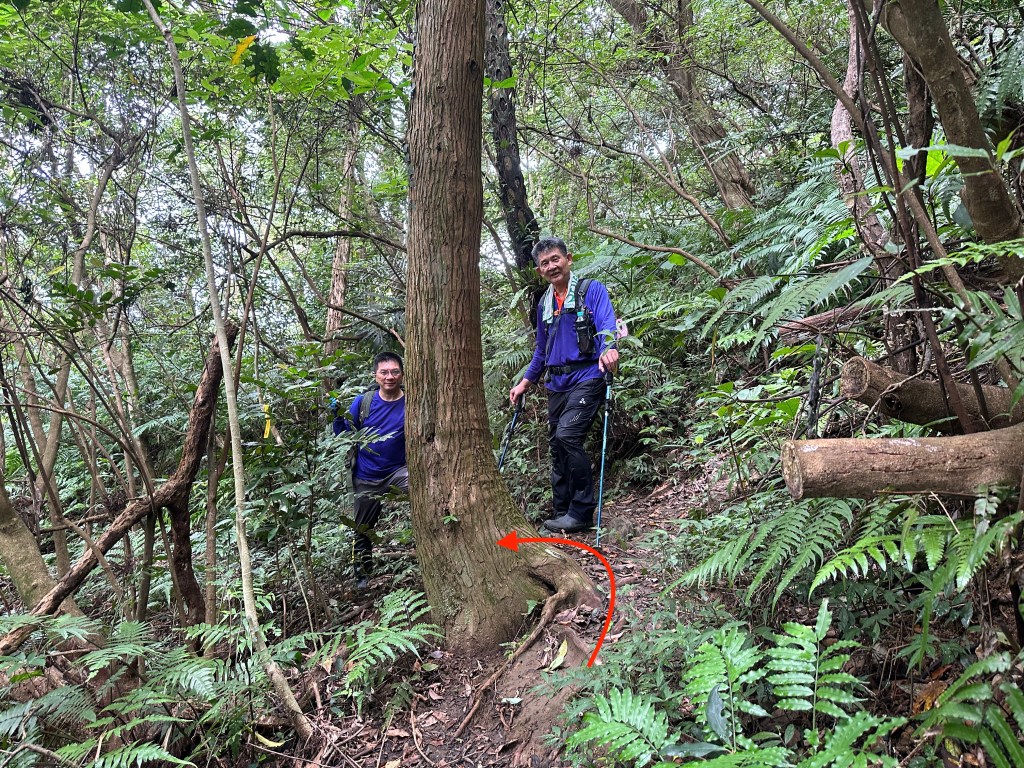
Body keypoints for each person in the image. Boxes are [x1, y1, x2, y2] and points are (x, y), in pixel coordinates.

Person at [509, 237, 619, 533]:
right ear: (539, 270)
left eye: (555, 259)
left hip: (588, 376)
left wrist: (609, 348)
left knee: (568, 435)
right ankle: (561, 510)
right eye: (544, 263)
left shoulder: (590, 290)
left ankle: (581, 512)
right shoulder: (544, 303)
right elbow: (541, 350)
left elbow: (607, 325)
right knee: (557, 446)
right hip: (556, 383)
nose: (551, 266)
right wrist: (525, 382)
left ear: (568, 259)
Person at [333, 352, 408, 589]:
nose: (389, 377)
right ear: (375, 375)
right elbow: (345, 435)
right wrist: (337, 416)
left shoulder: (411, 401)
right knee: (362, 529)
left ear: (402, 374)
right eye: (384, 372)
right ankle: (362, 577)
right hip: (366, 476)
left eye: (394, 372)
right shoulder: (363, 402)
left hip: (399, 472)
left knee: (425, 492)